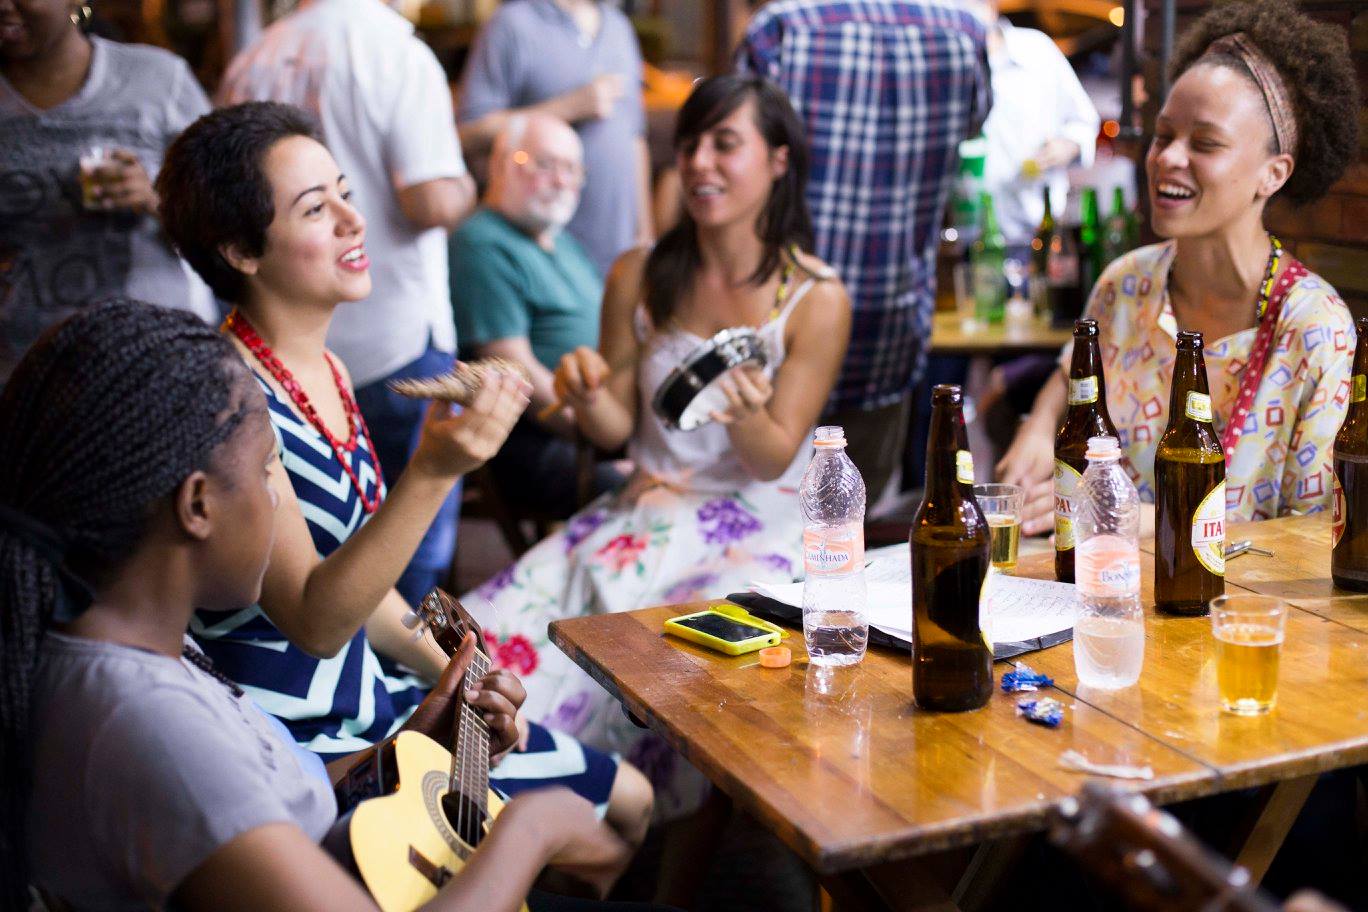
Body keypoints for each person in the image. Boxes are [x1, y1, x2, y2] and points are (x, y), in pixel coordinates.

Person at [0, 300, 669, 912]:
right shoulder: (149, 726)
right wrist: (534, 826)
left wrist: (416, 743)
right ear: (198, 505)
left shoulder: (140, 643)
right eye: (271, 472)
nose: (280, 502)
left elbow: (282, 797)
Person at [156, 103, 653, 841]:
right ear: (240, 249)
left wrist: (458, 677)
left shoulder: (324, 365)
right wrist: (434, 470)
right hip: (313, 744)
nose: (355, 223)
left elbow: (367, 589)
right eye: (316, 209)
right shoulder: (230, 395)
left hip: (377, 697)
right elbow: (319, 621)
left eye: (346, 196)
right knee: (607, 822)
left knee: (630, 804)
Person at [469, 75, 850, 820]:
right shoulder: (638, 272)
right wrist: (582, 390)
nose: (701, 163)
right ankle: (513, 806)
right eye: (690, 145)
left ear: (778, 160)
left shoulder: (815, 297)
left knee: (657, 668)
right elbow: (614, 429)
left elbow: (773, 457)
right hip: (642, 507)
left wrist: (740, 409)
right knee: (489, 639)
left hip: (756, 524)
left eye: (725, 144)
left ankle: (600, 816)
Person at [997, 0, 1359, 532]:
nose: (1167, 158)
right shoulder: (1126, 283)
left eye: (1205, 143)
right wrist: (1036, 428)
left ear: (1273, 173)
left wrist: (1144, 520)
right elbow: (1068, 374)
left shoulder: (1315, 330)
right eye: (1163, 135)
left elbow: (1312, 535)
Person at [218, 0, 477, 604]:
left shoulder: (253, 57)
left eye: (347, 196)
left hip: (278, 344)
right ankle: (410, 689)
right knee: (404, 550)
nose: (352, 217)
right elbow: (431, 202)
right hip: (393, 335)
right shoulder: (395, 52)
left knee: (302, 544)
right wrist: (468, 180)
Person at [737, 0, 990, 504]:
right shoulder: (963, 34)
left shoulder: (782, 31)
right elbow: (972, 129)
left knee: (756, 519)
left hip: (783, 321)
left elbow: (732, 140)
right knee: (857, 520)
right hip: (889, 322)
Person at [0, 0, 215, 383]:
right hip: (26, 378)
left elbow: (230, 224)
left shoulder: (160, 80)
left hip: (159, 366)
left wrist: (155, 200)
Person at [450, 112, 624, 520]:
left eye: (571, 169)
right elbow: (517, 372)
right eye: (544, 165)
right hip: (548, 445)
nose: (561, 181)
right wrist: (607, 437)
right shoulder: (481, 243)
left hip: (596, 426)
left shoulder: (559, 240)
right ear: (499, 165)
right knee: (660, 493)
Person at [457, 0, 652, 277]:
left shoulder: (619, 27)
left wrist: (644, 233)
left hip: (618, 250)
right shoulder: (510, 24)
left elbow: (635, 138)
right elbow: (469, 133)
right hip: (539, 253)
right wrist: (569, 107)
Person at [973, 0, 1099, 247]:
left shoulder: (1036, 49)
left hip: (1039, 225)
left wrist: (1067, 145)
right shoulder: (949, 58)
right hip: (971, 232)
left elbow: (1083, 121)